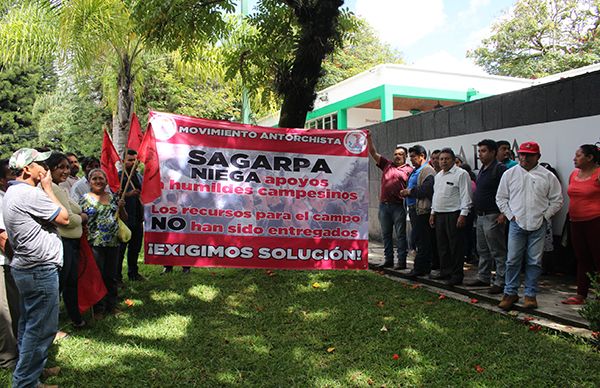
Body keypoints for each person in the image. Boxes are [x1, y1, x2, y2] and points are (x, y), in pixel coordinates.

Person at [3, 148, 69, 387]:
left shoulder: (13, 192)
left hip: (27, 267)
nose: (45, 168)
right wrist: (49, 189)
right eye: (40, 163)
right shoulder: (30, 194)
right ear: (27, 169)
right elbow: (63, 218)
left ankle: (29, 374)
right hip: (39, 269)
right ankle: (25, 382)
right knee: (41, 329)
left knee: (28, 324)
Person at [496, 141, 563, 310]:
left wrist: (545, 216)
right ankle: (510, 292)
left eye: (529, 155)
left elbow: (557, 200)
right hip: (516, 224)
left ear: (538, 157)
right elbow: (501, 198)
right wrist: (511, 216)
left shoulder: (547, 176)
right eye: (522, 154)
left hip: (538, 224)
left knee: (534, 261)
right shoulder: (509, 174)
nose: (524, 157)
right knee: (512, 260)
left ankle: (530, 295)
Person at [79, 168, 127, 317]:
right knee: (97, 277)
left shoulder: (113, 197)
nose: (98, 181)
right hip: (94, 244)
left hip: (113, 243)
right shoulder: (84, 199)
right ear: (89, 182)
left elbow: (124, 218)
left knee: (111, 276)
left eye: (101, 178)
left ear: (106, 181)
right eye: (94, 179)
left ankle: (112, 306)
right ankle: (98, 309)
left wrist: (122, 208)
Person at [47, 152, 87, 327]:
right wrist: (83, 218)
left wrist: (77, 214)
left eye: (67, 167)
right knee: (60, 285)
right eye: (60, 167)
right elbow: (67, 219)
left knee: (70, 282)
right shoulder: (52, 189)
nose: (65, 171)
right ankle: (52, 325)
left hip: (72, 243)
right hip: (63, 242)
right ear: (50, 169)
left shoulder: (60, 188)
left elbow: (74, 208)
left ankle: (75, 318)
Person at [465, 140, 507, 294]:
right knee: (482, 249)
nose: (480, 154)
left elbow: (507, 193)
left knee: (497, 250)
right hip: (481, 216)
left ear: (493, 152)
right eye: (479, 151)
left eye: (483, 151)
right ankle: (483, 277)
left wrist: (503, 214)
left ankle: (501, 281)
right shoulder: (483, 169)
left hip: (493, 215)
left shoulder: (500, 169)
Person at [367, 132, 413, 269]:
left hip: (398, 206)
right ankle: (388, 260)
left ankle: (402, 261)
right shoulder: (387, 164)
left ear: (405, 156)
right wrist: (369, 139)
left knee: (400, 235)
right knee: (385, 235)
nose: (397, 156)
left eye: (400, 154)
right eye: (395, 154)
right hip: (384, 206)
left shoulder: (409, 170)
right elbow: (373, 152)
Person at [561, 144, 600, 305]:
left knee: (598, 258)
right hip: (576, 222)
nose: (574, 158)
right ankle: (581, 294)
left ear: (590, 158)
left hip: (595, 220)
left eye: (578, 155)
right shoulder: (574, 174)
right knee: (582, 258)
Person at [429, 148, 472, 286]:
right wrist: (432, 213)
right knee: (442, 246)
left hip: (454, 214)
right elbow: (436, 196)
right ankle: (445, 272)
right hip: (439, 214)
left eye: (446, 159)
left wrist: (463, 214)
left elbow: (466, 196)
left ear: (453, 160)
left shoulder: (461, 174)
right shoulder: (438, 176)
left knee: (455, 247)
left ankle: (457, 275)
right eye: (441, 159)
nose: (443, 161)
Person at [400, 145, 435, 277]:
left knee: (422, 240)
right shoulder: (416, 171)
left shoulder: (427, 170)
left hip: (422, 210)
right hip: (413, 209)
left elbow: (427, 190)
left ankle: (420, 268)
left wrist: (409, 192)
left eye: (414, 157)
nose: (412, 159)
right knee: (417, 239)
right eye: (410, 157)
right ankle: (422, 267)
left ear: (422, 156)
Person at [0, 159, 18, 371]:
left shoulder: (8, 196)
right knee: (6, 314)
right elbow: (2, 237)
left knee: (16, 311)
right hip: (4, 263)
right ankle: (8, 361)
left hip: (12, 263)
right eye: (12, 174)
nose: (16, 178)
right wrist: (20, 258)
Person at [117, 150, 145, 282]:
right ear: (123, 162)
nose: (133, 163)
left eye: (135, 160)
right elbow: (114, 196)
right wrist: (128, 195)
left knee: (135, 248)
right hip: (124, 219)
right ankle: (117, 276)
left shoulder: (139, 177)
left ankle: (133, 273)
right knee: (120, 250)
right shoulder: (119, 177)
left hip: (138, 218)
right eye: (129, 160)